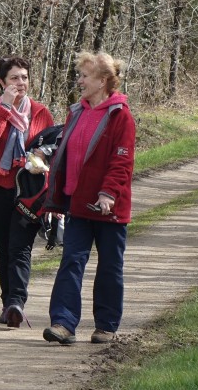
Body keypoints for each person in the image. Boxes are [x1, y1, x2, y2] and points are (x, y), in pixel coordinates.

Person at [42, 50, 136, 344]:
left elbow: (122, 161)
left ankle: (106, 325)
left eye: (85, 76)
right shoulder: (77, 112)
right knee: (71, 261)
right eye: (80, 75)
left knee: (109, 266)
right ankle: (63, 323)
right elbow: (65, 155)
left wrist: (108, 193)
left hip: (109, 207)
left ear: (103, 80)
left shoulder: (120, 116)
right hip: (78, 203)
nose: (79, 81)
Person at [0, 55, 55, 328]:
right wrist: (5, 107)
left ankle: (16, 303)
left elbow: (53, 147)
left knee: (20, 248)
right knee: (3, 248)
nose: (20, 83)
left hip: (30, 193)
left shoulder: (41, 112)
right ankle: (7, 302)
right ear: (1, 82)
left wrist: (40, 158)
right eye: (14, 78)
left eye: (24, 77)